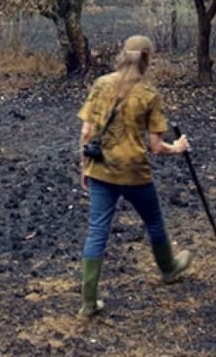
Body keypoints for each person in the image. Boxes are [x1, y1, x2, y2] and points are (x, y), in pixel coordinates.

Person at [75, 35, 193, 319]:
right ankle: (168, 269)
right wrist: (177, 148)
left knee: (97, 231)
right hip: (134, 173)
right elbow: (155, 146)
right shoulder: (149, 94)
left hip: (101, 170)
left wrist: (85, 167)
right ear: (147, 58)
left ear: (122, 55)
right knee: (153, 220)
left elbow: (86, 133)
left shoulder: (101, 84)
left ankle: (88, 303)